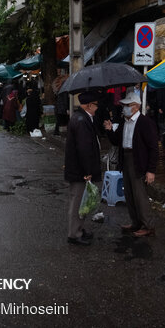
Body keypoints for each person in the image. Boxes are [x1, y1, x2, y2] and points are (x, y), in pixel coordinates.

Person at [104, 91, 158, 237]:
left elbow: (153, 148)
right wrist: (109, 130)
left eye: (127, 105)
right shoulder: (124, 122)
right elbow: (116, 141)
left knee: (140, 195)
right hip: (126, 158)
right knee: (129, 193)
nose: (124, 108)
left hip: (138, 160)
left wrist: (151, 170)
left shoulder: (145, 122)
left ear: (136, 106)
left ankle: (148, 225)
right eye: (124, 105)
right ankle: (136, 222)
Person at [64, 91, 102, 246]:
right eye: (96, 105)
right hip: (80, 171)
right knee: (78, 202)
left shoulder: (81, 118)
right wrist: (88, 171)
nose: (97, 108)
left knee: (82, 202)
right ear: (89, 105)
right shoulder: (81, 120)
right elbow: (84, 149)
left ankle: (79, 228)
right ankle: (74, 234)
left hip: (79, 169)